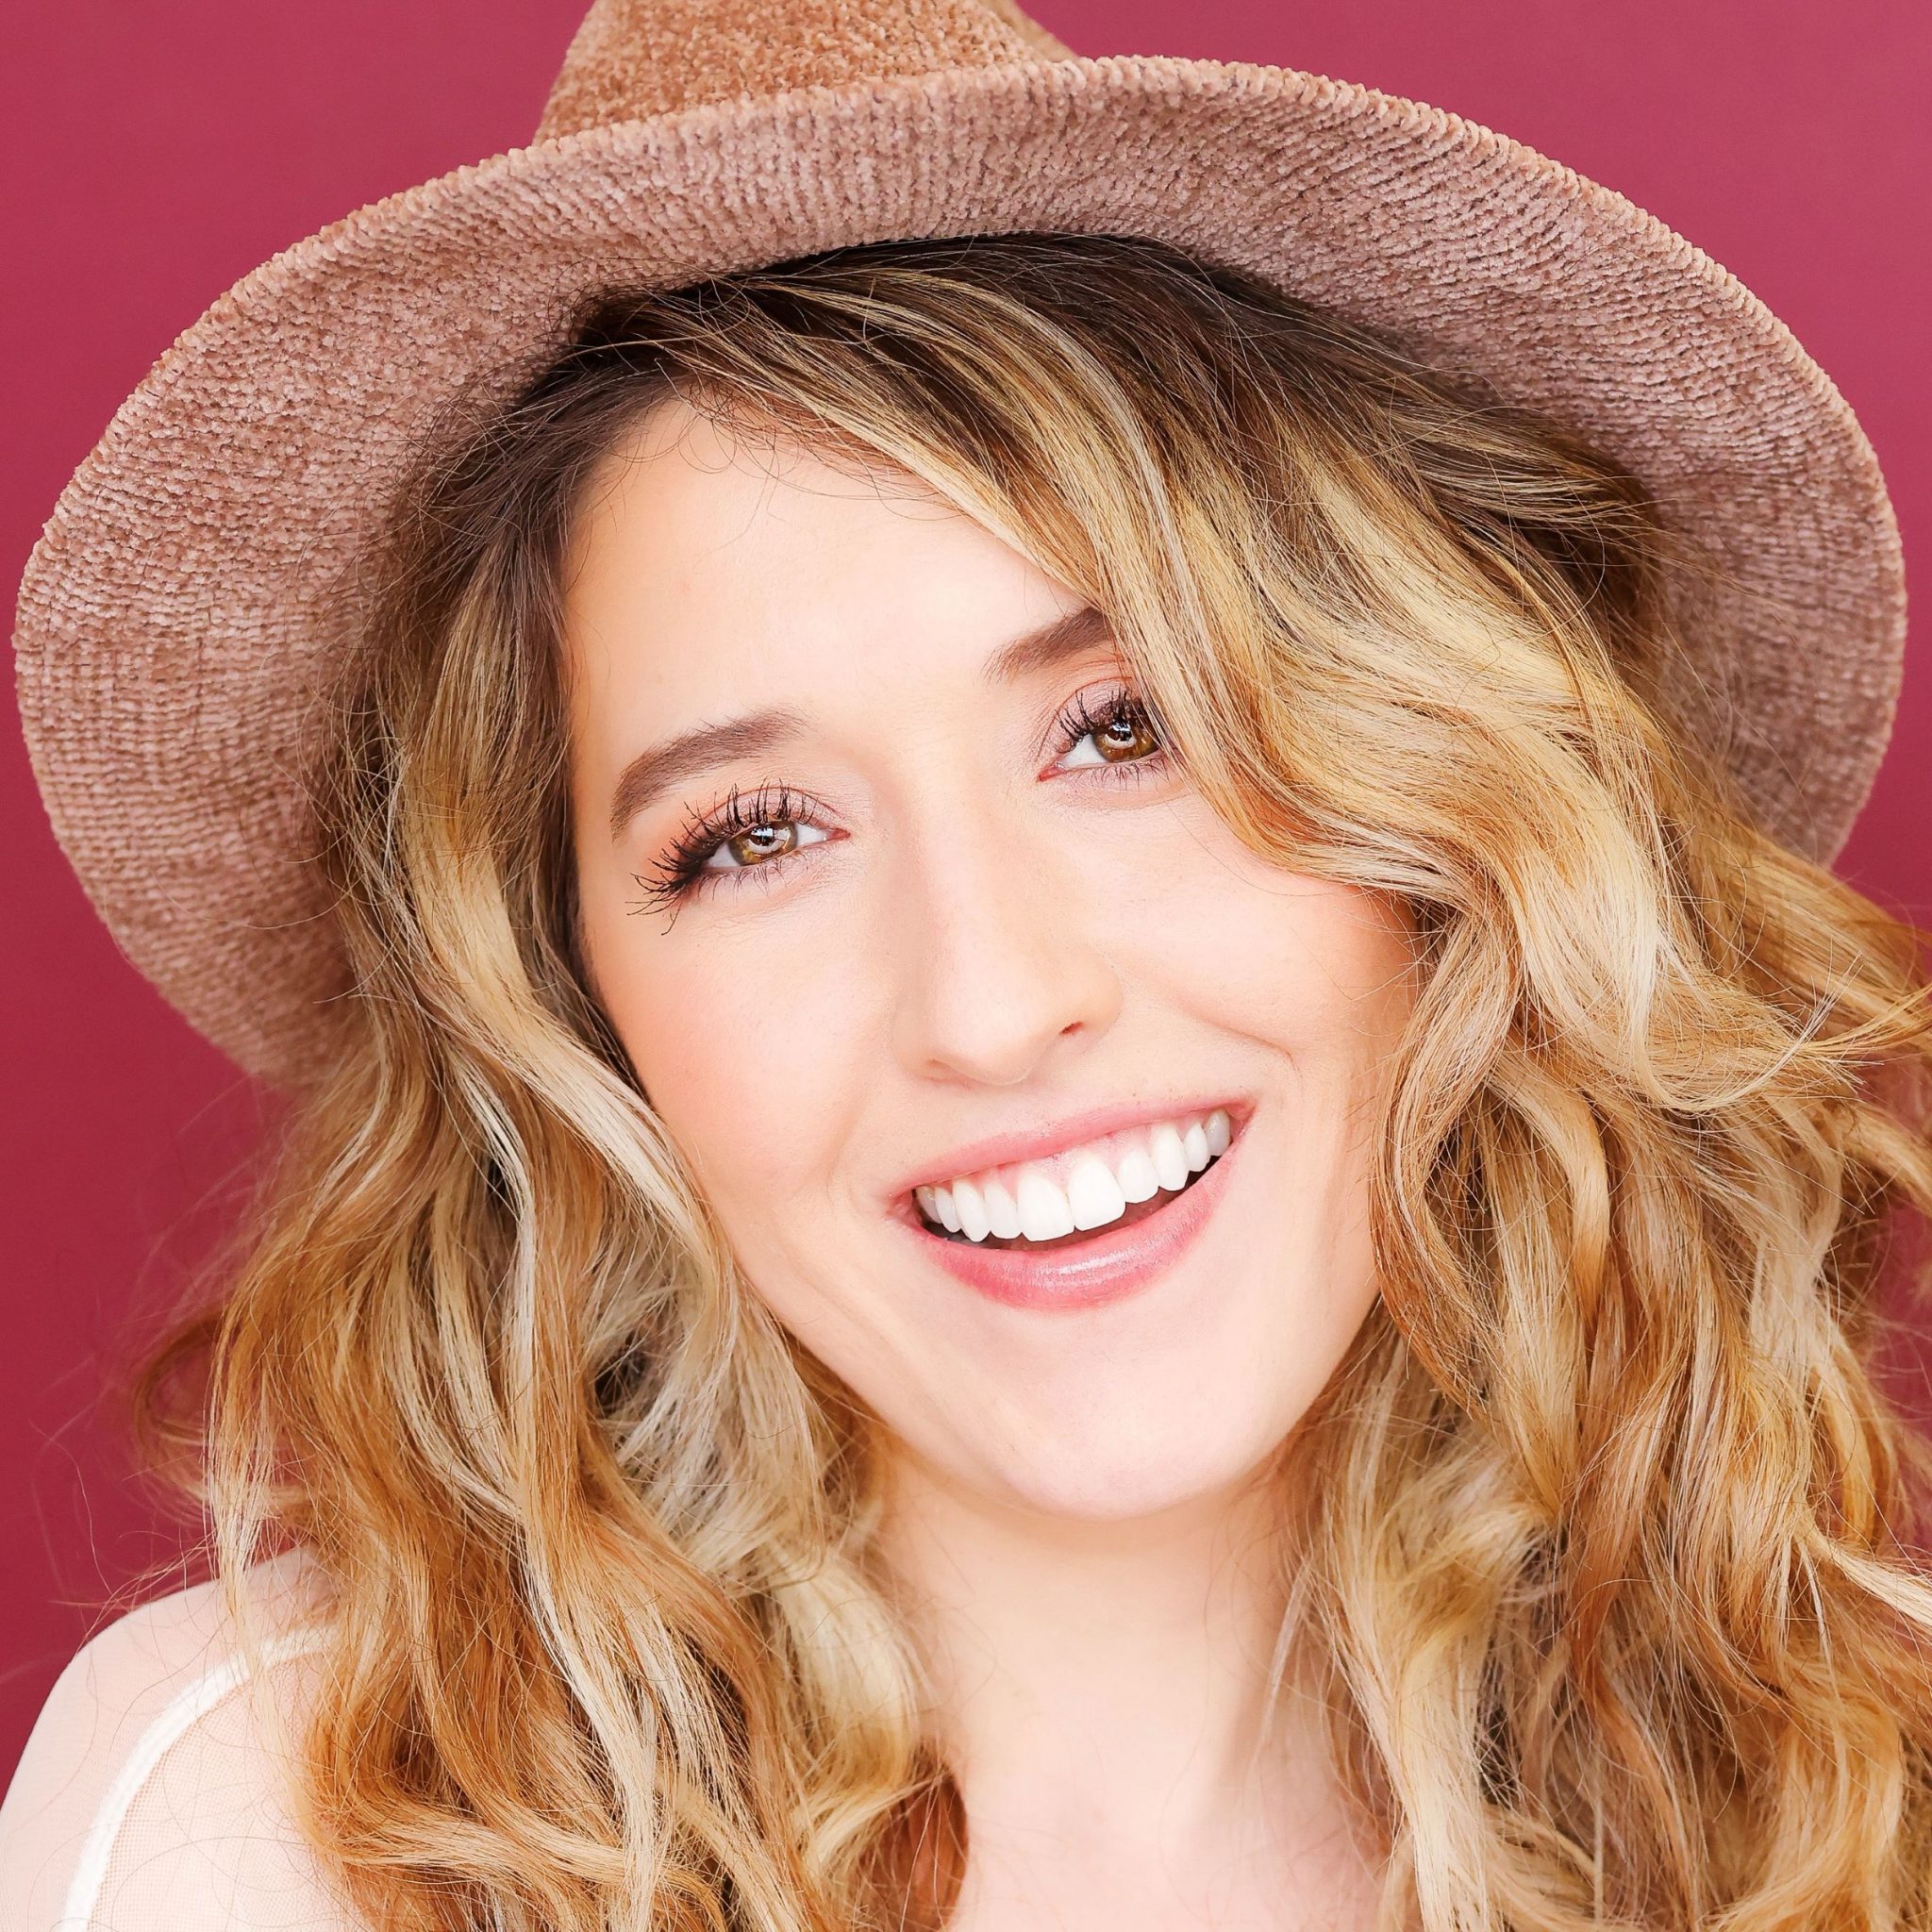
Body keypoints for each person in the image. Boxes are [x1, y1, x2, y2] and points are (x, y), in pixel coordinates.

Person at [4, 7, 1930, 1932]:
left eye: (1128, 728)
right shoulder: (264, 1836)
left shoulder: (1869, 1785)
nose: (993, 1007)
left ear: (1460, 814)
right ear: (575, 1010)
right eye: (755, 837)